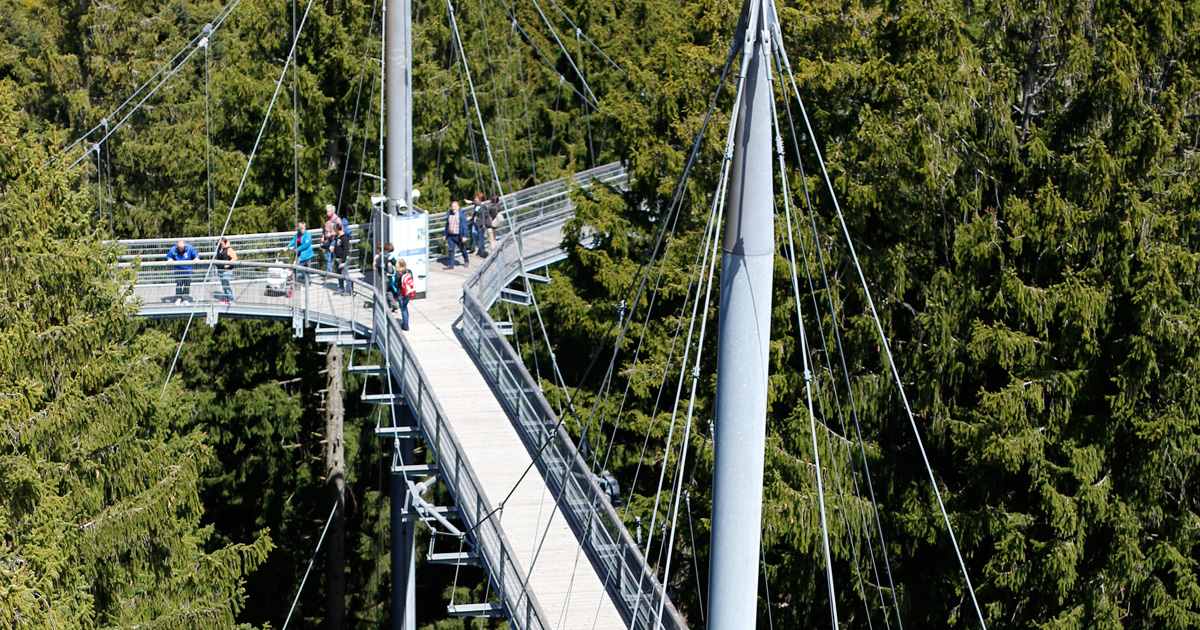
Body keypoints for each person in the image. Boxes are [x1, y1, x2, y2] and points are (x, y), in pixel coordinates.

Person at [286, 221, 314, 285]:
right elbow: (293, 240)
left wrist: (297, 249)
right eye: (300, 229)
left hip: (306, 254)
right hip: (300, 253)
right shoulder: (298, 234)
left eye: (303, 229)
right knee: (304, 267)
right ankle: (307, 279)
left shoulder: (307, 235)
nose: (301, 230)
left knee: (299, 265)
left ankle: (307, 278)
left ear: (305, 228)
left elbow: (305, 245)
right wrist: (287, 247)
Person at [444, 201, 469, 269]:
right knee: (451, 250)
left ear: (458, 207)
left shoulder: (461, 214)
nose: (453, 208)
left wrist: (464, 236)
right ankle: (451, 265)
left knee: (462, 249)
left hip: (458, 235)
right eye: (452, 207)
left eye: (455, 207)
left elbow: (464, 226)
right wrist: (445, 234)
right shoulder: (449, 214)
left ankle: (466, 260)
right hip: (450, 235)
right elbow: (447, 225)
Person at [215, 237, 237, 304]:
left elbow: (234, 257)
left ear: (225, 243)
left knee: (226, 284)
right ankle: (226, 298)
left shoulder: (228, 249)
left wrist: (228, 264)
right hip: (220, 269)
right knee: (223, 284)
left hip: (226, 270)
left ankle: (231, 299)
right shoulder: (219, 249)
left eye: (222, 243)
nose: (221, 245)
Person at [396, 258, 414, 331]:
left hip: (401, 293)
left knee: (403, 309)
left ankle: (405, 326)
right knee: (405, 309)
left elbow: (396, 284)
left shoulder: (398, 274)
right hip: (408, 293)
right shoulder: (409, 271)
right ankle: (406, 323)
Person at [333, 221, 351, 295]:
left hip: (342, 259)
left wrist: (343, 261)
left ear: (337, 229)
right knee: (339, 275)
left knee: (345, 274)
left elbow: (345, 250)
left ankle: (349, 289)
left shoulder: (344, 238)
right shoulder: (337, 237)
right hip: (337, 258)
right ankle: (341, 288)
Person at [322, 204, 340, 275]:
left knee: (335, 258)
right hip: (328, 241)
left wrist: (331, 234)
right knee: (328, 258)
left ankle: (337, 272)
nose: (327, 213)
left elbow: (340, 230)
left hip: (334, 241)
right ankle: (329, 273)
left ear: (333, 211)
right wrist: (323, 237)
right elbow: (325, 229)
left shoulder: (337, 219)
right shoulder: (327, 219)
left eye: (329, 212)